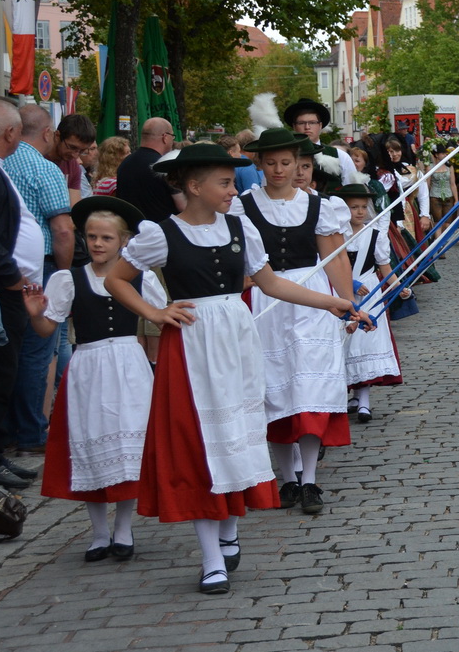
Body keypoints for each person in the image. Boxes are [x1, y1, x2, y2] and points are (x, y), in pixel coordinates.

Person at [107, 142, 367, 594]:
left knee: (236, 436)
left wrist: (332, 303)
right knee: (198, 442)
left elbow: (271, 283)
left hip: (237, 339)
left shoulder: (240, 228)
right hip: (191, 346)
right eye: (225, 183)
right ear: (194, 186)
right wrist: (155, 312)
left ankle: (229, 527)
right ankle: (211, 557)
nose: (234, 190)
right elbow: (116, 279)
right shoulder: (161, 234)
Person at [26, 196, 163, 561]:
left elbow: (161, 318)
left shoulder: (141, 278)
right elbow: (46, 329)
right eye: (91, 237)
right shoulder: (68, 279)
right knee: (89, 443)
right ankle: (99, 532)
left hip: (129, 365)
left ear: (123, 241)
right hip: (88, 366)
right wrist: (35, 315)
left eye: (106, 237)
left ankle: (124, 527)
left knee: (128, 447)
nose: (98, 244)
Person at [232, 130, 357, 516]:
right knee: (273, 389)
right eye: (270, 163)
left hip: (311, 300)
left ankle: (309, 480)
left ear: (298, 162)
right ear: (259, 163)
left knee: (308, 388)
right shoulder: (242, 205)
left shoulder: (318, 205)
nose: (279, 170)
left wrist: (348, 304)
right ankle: (286, 478)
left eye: (286, 162)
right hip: (264, 301)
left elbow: (334, 258)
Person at [5, 104, 74, 457]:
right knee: (37, 350)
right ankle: (31, 431)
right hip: (40, 270)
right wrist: (64, 275)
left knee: (7, 349)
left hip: (2, 269)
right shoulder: (43, 168)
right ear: (48, 133)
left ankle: (4, 430)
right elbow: (62, 229)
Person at [0, 97, 42, 491]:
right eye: (19, 133)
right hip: (0, 290)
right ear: (9, 133)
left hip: (9, 288)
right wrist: (9, 275)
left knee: (2, 376)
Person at [338, 183, 404, 420]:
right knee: (345, 345)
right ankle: (353, 395)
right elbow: (328, 265)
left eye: (363, 207)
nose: (359, 212)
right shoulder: (335, 235)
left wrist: (398, 286)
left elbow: (384, 266)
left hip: (368, 295)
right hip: (340, 292)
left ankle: (364, 399)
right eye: (353, 207)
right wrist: (351, 283)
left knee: (364, 343)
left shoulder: (374, 234)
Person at [283, 98, 353, 195]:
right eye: (301, 123)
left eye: (312, 123)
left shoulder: (341, 156)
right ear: (294, 126)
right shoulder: (284, 156)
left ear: (320, 125)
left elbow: (353, 190)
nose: (307, 127)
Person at [56, 113, 96, 203]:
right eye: (72, 147)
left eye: (82, 151)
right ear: (57, 136)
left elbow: (74, 205)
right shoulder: (41, 160)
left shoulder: (73, 166)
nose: (75, 156)